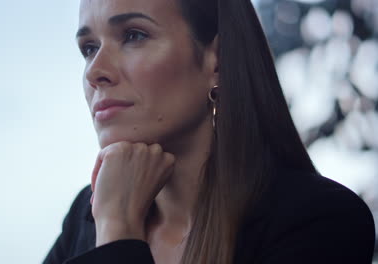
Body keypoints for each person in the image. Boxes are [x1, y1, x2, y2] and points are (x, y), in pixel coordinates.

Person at [43, 0, 376, 263]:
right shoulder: (86, 216)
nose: (95, 71)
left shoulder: (319, 222)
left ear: (216, 60)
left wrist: (118, 233)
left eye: (133, 35)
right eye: (89, 48)